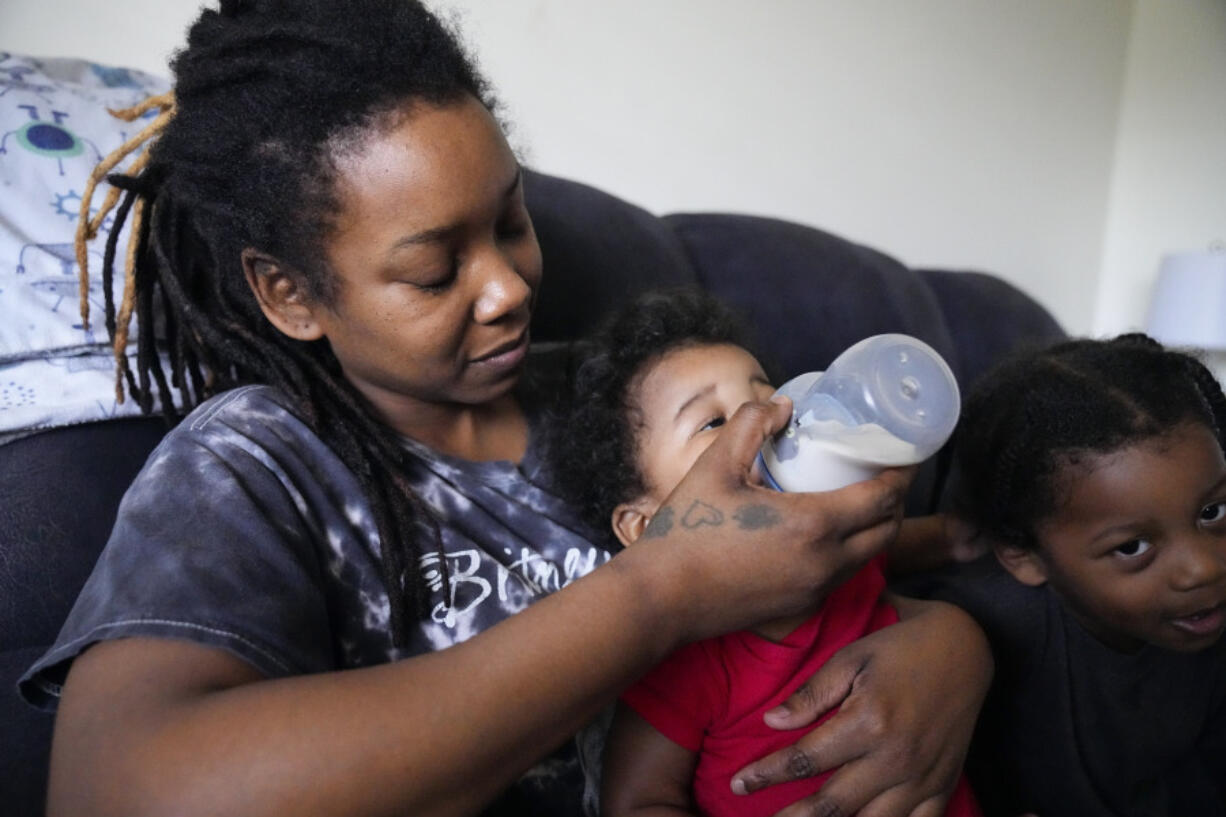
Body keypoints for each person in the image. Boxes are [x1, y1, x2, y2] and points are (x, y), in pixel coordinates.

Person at [18, 2, 994, 815]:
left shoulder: (627, 393)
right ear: (291, 294)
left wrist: (955, 648)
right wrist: (658, 589)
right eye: (435, 269)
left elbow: (838, 566)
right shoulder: (255, 465)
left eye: (511, 221)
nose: (506, 288)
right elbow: (116, 788)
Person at [548, 288, 982, 817]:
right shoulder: (684, 660)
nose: (767, 425)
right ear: (644, 526)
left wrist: (953, 535)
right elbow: (639, 802)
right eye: (712, 423)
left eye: (772, 400)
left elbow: (897, 542)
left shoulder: (843, 559)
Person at [928, 334, 1226, 817]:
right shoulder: (986, 627)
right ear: (1025, 557)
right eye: (1132, 547)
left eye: (1213, 512)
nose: (1205, 568)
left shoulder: (1204, 619)